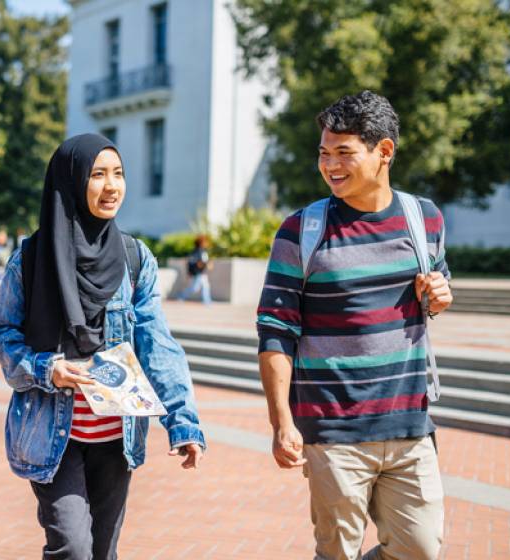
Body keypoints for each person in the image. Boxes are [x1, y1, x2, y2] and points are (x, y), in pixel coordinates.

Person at [0, 134, 205, 560]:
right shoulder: (31, 260)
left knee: (103, 551)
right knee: (72, 547)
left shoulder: (133, 258)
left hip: (115, 435)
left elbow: (157, 344)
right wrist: (45, 368)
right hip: (53, 432)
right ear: (70, 182)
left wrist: (183, 421)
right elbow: (2, 336)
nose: (112, 186)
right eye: (98, 175)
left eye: (119, 174)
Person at [256, 91, 452, 560]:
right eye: (325, 153)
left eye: (345, 153)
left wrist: (441, 296)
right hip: (333, 431)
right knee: (337, 553)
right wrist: (282, 421)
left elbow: (435, 290)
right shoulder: (300, 230)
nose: (330, 166)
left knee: (420, 549)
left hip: (409, 424)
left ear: (384, 152)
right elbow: (275, 329)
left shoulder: (423, 217)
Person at [177, 235, 212, 304]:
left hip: (201, 273)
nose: (206, 244)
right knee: (194, 288)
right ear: (201, 243)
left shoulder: (200, 251)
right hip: (197, 273)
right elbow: (197, 263)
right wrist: (206, 264)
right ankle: (181, 296)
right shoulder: (198, 252)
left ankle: (207, 301)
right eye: (205, 242)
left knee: (205, 286)